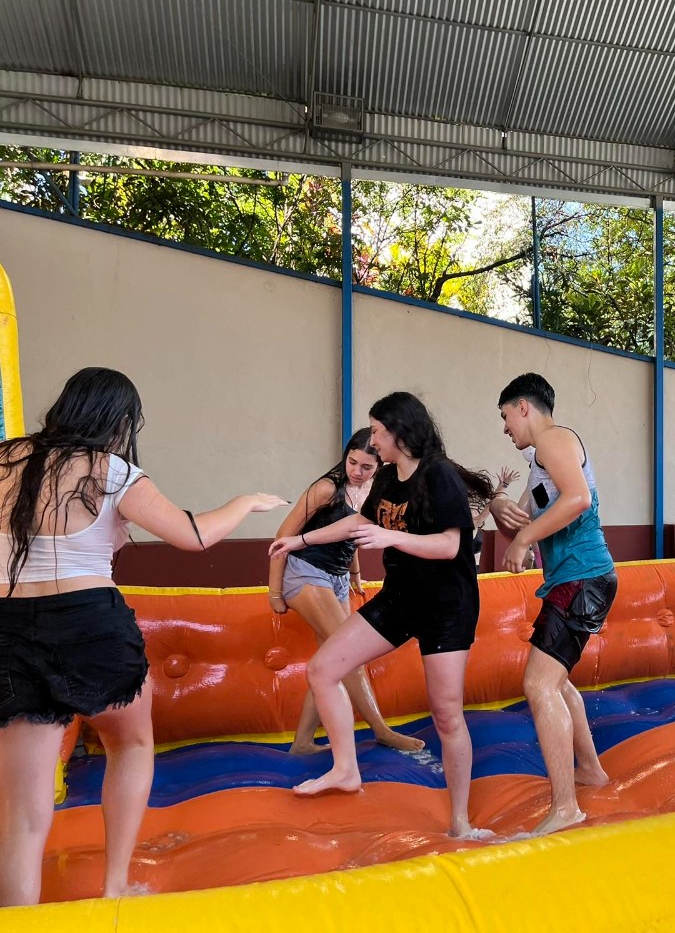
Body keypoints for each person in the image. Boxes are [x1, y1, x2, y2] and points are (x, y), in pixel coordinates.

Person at [0, 367, 286, 907]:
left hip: (10, 626)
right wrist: (246, 501)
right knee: (129, 743)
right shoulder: (110, 471)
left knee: (21, 814)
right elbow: (193, 534)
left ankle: (18, 919)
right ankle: (114, 888)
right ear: (118, 420)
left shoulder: (6, 459)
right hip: (90, 622)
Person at [267, 392, 493, 840]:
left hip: (447, 606)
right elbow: (357, 524)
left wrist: (392, 538)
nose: (372, 440)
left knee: (446, 715)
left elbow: (450, 545)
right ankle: (346, 769)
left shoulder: (438, 475)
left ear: (399, 432)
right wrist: (300, 541)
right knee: (323, 668)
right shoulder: (387, 477)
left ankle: (460, 822)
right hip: (400, 598)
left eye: (377, 431)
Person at [489, 373, 615, 836]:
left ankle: (566, 808)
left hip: (582, 576)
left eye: (506, 416)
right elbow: (522, 518)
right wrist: (499, 507)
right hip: (574, 579)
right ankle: (590, 770)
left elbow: (578, 499)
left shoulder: (553, 440)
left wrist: (523, 539)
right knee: (557, 683)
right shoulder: (539, 465)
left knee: (538, 684)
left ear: (523, 407)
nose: (505, 428)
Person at [268, 428, 424, 756]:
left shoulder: (373, 490)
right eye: (352, 462)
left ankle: (302, 743)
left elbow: (351, 533)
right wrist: (274, 592)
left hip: (336, 579)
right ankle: (381, 730)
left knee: (329, 662)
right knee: (348, 654)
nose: (356, 471)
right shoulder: (327, 489)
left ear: (379, 466)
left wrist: (355, 575)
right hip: (305, 571)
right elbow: (283, 535)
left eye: (366, 467)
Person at [471, 466, 520, 569]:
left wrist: (503, 485)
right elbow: (491, 504)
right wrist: (504, 485)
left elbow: (490, 504)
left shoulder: (476, 526)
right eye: (472, 509)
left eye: (476, 509)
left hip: (473, 566)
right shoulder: (472, 524)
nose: (475, 510)